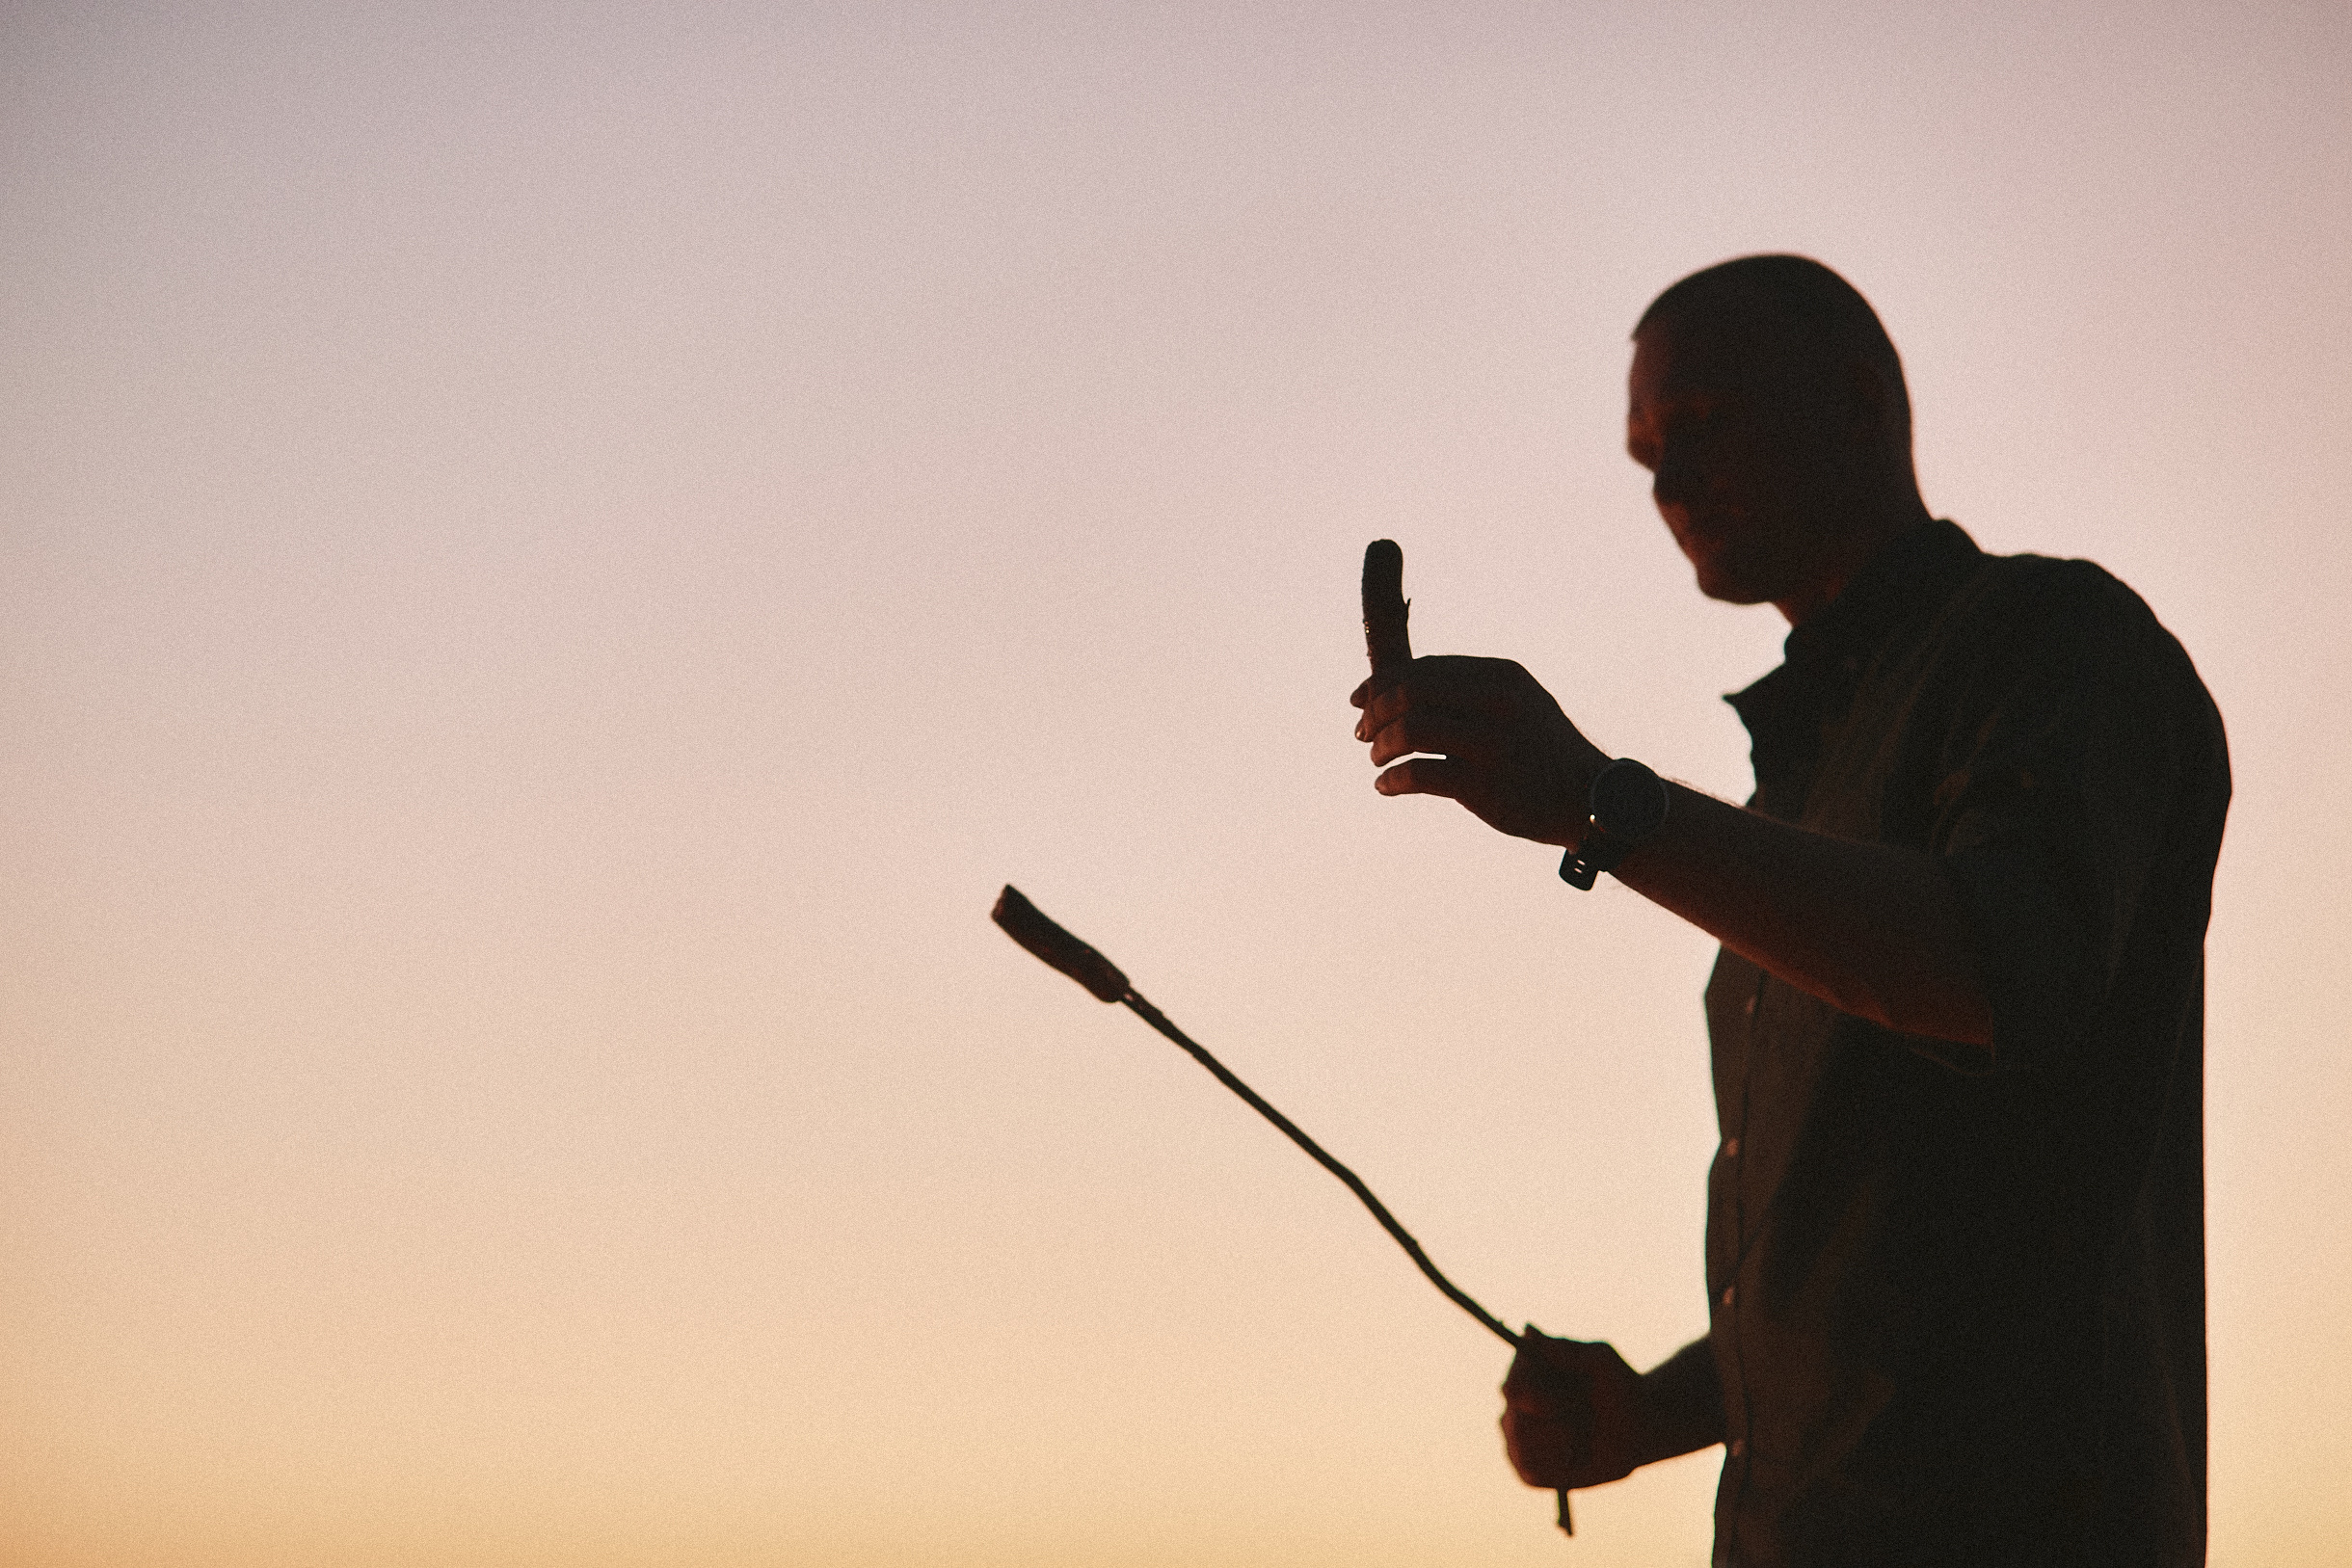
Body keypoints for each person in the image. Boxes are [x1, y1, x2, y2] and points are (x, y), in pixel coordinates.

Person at [1350, 254, 2228, 1566]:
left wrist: (1597, 802)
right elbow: (1896, 1272)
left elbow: (1995, 963)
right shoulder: (1799, 781)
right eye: (1645, 453)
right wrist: (1651, 1414)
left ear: (1862, 402)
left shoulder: (2059, 640)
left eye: (1700, 422)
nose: (1667, 482)